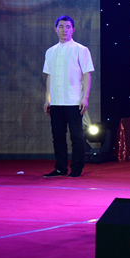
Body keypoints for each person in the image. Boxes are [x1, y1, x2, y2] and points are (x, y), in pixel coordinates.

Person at [43, 15, 94, 178]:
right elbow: (49, 76)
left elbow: (87, 74)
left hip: (73, 100)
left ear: (73, 29)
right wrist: (48, 100)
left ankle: (77, 168)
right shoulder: (50, 51)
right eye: (61, 26)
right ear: (55, 29)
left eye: (68, 27)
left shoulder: (81, 50)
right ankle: (60, 167)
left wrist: (85, 97)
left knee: (76, 136)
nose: (64, 30)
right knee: (58, 136)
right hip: (56, 101)